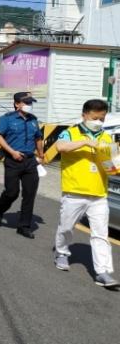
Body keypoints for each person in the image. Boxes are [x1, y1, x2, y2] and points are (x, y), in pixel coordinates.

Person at [54, 99, 119, 288]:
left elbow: (112, 167)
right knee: (66, 227)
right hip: (74, 192)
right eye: (95, 118)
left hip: (99, 194)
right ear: (84, 115)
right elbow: (60, 147)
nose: (98, 122)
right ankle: (62, 252)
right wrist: (85, 142)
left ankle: (103, 272)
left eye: (102, 118)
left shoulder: (106, 137)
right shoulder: (71, 132)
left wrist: (114, 163)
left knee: (101, 234)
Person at [0, 92, 45, 239]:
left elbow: (38, 138)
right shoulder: (7, 119)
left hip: (30, 161)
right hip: (13, 160)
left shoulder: (33, 120)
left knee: (29, 194)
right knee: (12, 192)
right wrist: (12, 152)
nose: (29, 105)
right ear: (17, 104)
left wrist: (41, 155)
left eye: (30, 103)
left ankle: (24, 226)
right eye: (26, 102)